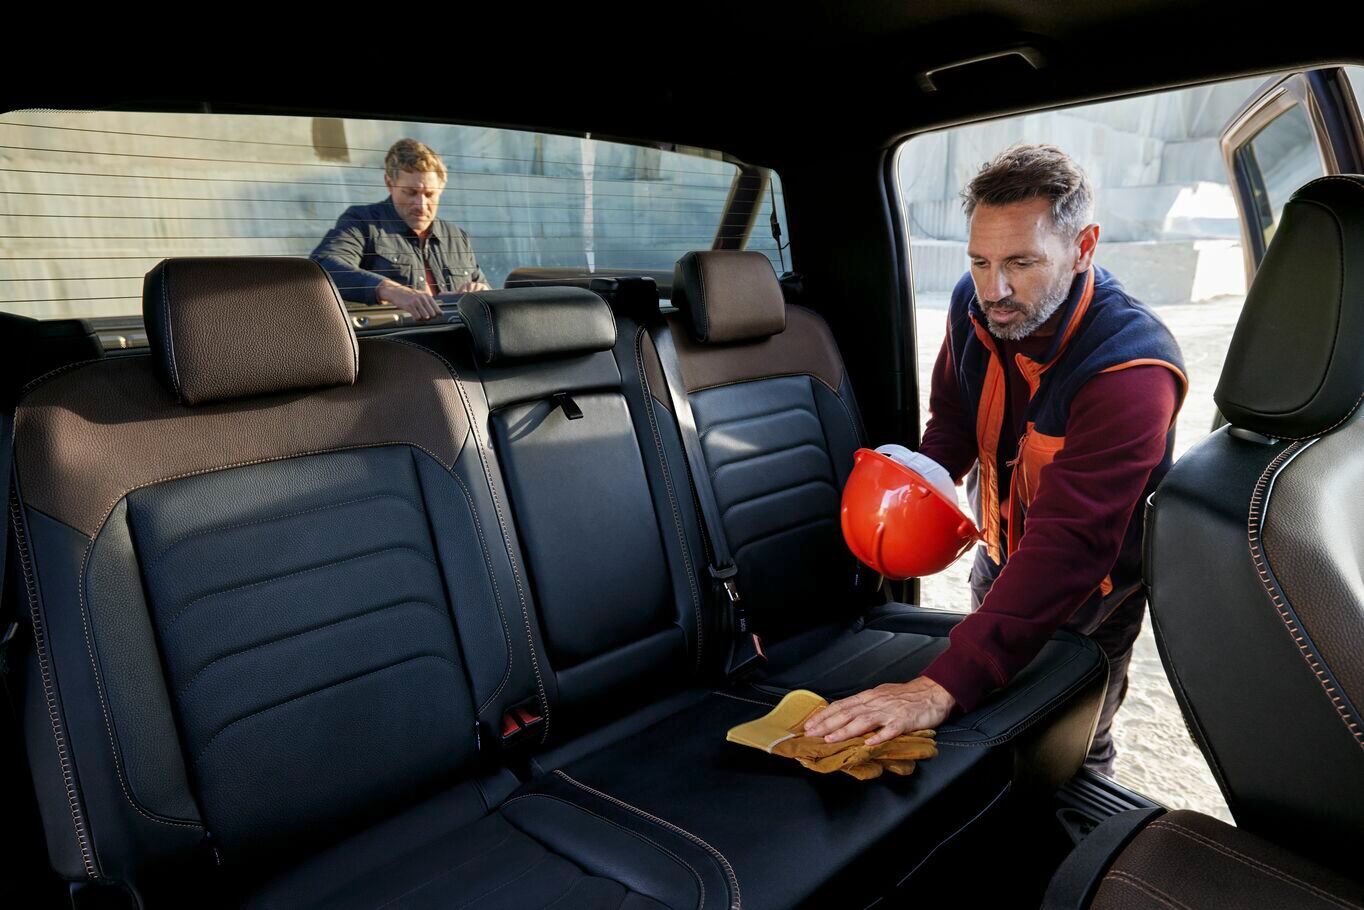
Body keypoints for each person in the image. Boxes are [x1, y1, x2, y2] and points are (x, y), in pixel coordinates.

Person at [805, 144, 1187, 775]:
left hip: (1089, 599)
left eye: (1021, 263)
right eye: (979, 261)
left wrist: (939, 685)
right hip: (999, 557)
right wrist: (918, 485)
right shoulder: (975, 305)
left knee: (1074, 748)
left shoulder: (1130, 371)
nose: (994, 289)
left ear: (1084, 247)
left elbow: (1071, 545)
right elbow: (954, 418)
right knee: (996, 739)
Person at [312, 138, 490, 320]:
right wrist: (389, 290)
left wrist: (481, 292)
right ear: (389, 183)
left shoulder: (457, 237)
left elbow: (487, 294)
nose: (421, 205)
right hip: (394, 336)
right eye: (410, 193)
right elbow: (323, 267)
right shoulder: (362, 222)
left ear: (441, 188)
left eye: (430, 194)